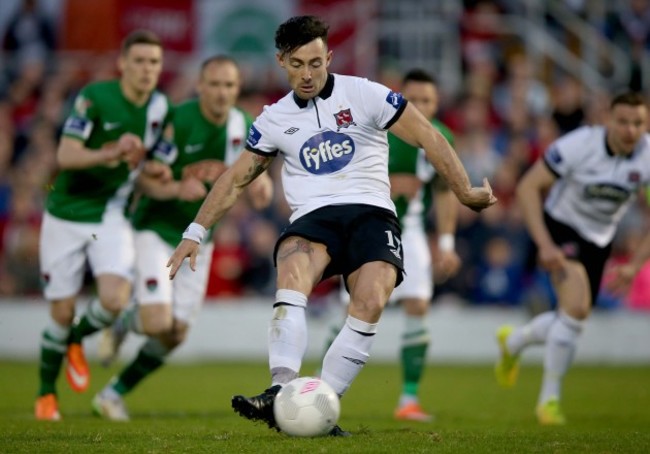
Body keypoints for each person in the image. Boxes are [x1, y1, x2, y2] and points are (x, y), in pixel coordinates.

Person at [166, 15, 496, 436]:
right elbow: (234, 179)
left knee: (373, 297)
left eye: (316, 63)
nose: (308, 74)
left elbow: (429, 137)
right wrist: (194, 233)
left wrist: (465, 190)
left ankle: (321, 403)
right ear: (281, 62)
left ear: (329, 57)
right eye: (298, 63)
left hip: (371, 213)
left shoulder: (367, 94)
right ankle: (279, 390)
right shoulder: (272, 118)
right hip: (312, 218)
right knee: (292, 269)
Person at [90, 55, 274, 421]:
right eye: (215, 84)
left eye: (229, 85)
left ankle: (111, 394)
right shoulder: (177, 121)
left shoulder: (242, 125)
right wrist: (175, 187)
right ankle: (126, 320)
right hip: (155, 231)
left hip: (200, 241)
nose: (222, 93)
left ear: (236, 89)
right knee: (157, 322)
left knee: (175, 334)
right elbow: (139, 176)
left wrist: (263, 183)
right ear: (200, 86)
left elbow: (252, 168)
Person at [35, 30, 172, 421]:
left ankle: (75, 341)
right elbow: (66, 154)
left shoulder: (160, 108)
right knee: (60, 313)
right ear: (123, 64)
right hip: (66, 211)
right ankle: (46, 394)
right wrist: (110, 151)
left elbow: (139, 167)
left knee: (114, 299)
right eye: (140, 61)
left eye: (154, 62)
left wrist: (155, 174)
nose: (147, 69)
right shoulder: (95, 96)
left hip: (111, 213)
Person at [494, 91, 650, 425]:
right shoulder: (580, 144)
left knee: (572, 318)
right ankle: (549, 401)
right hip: (560, 227)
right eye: (623, 121)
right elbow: (527, 187)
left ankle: (515, 341)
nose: (630, 130)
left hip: (599, 242)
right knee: (576, 308)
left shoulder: (647, 156)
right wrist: (545, 244)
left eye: (638, 123)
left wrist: (635, 265)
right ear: (609, 119)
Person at [322, 69, 461, 422]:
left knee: (418, 304)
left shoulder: (440, 138)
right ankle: (322, 391)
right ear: (400, 99)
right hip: (365, 226)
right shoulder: (374, 128)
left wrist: (445, 242)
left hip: (410, 230)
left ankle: (408, 399)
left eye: (429, 100)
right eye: (415, 100)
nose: (422, 107)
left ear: (437, 103)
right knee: (353, 310)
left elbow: (444, 192)